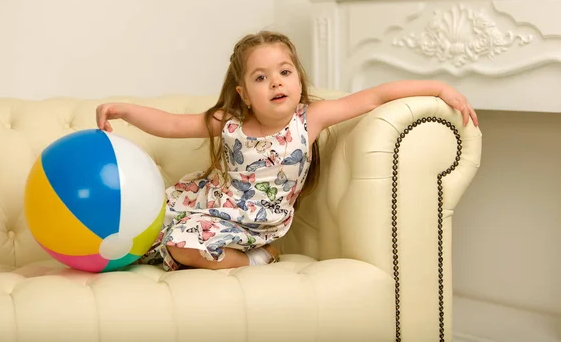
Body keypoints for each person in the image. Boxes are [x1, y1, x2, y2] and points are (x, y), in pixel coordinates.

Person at [95, 30, 478, 271]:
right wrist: (126, 110)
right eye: (261, 77)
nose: (275, 83)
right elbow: (172, 124)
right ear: (244, 93)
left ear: (297, 78)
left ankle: (258, 258)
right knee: (143, 226)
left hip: (256, 222)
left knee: (181, 246)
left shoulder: (309, 120)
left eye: (284, 72)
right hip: (206, 203)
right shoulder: (228, 121)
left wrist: (439, 87)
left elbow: (375, 95)